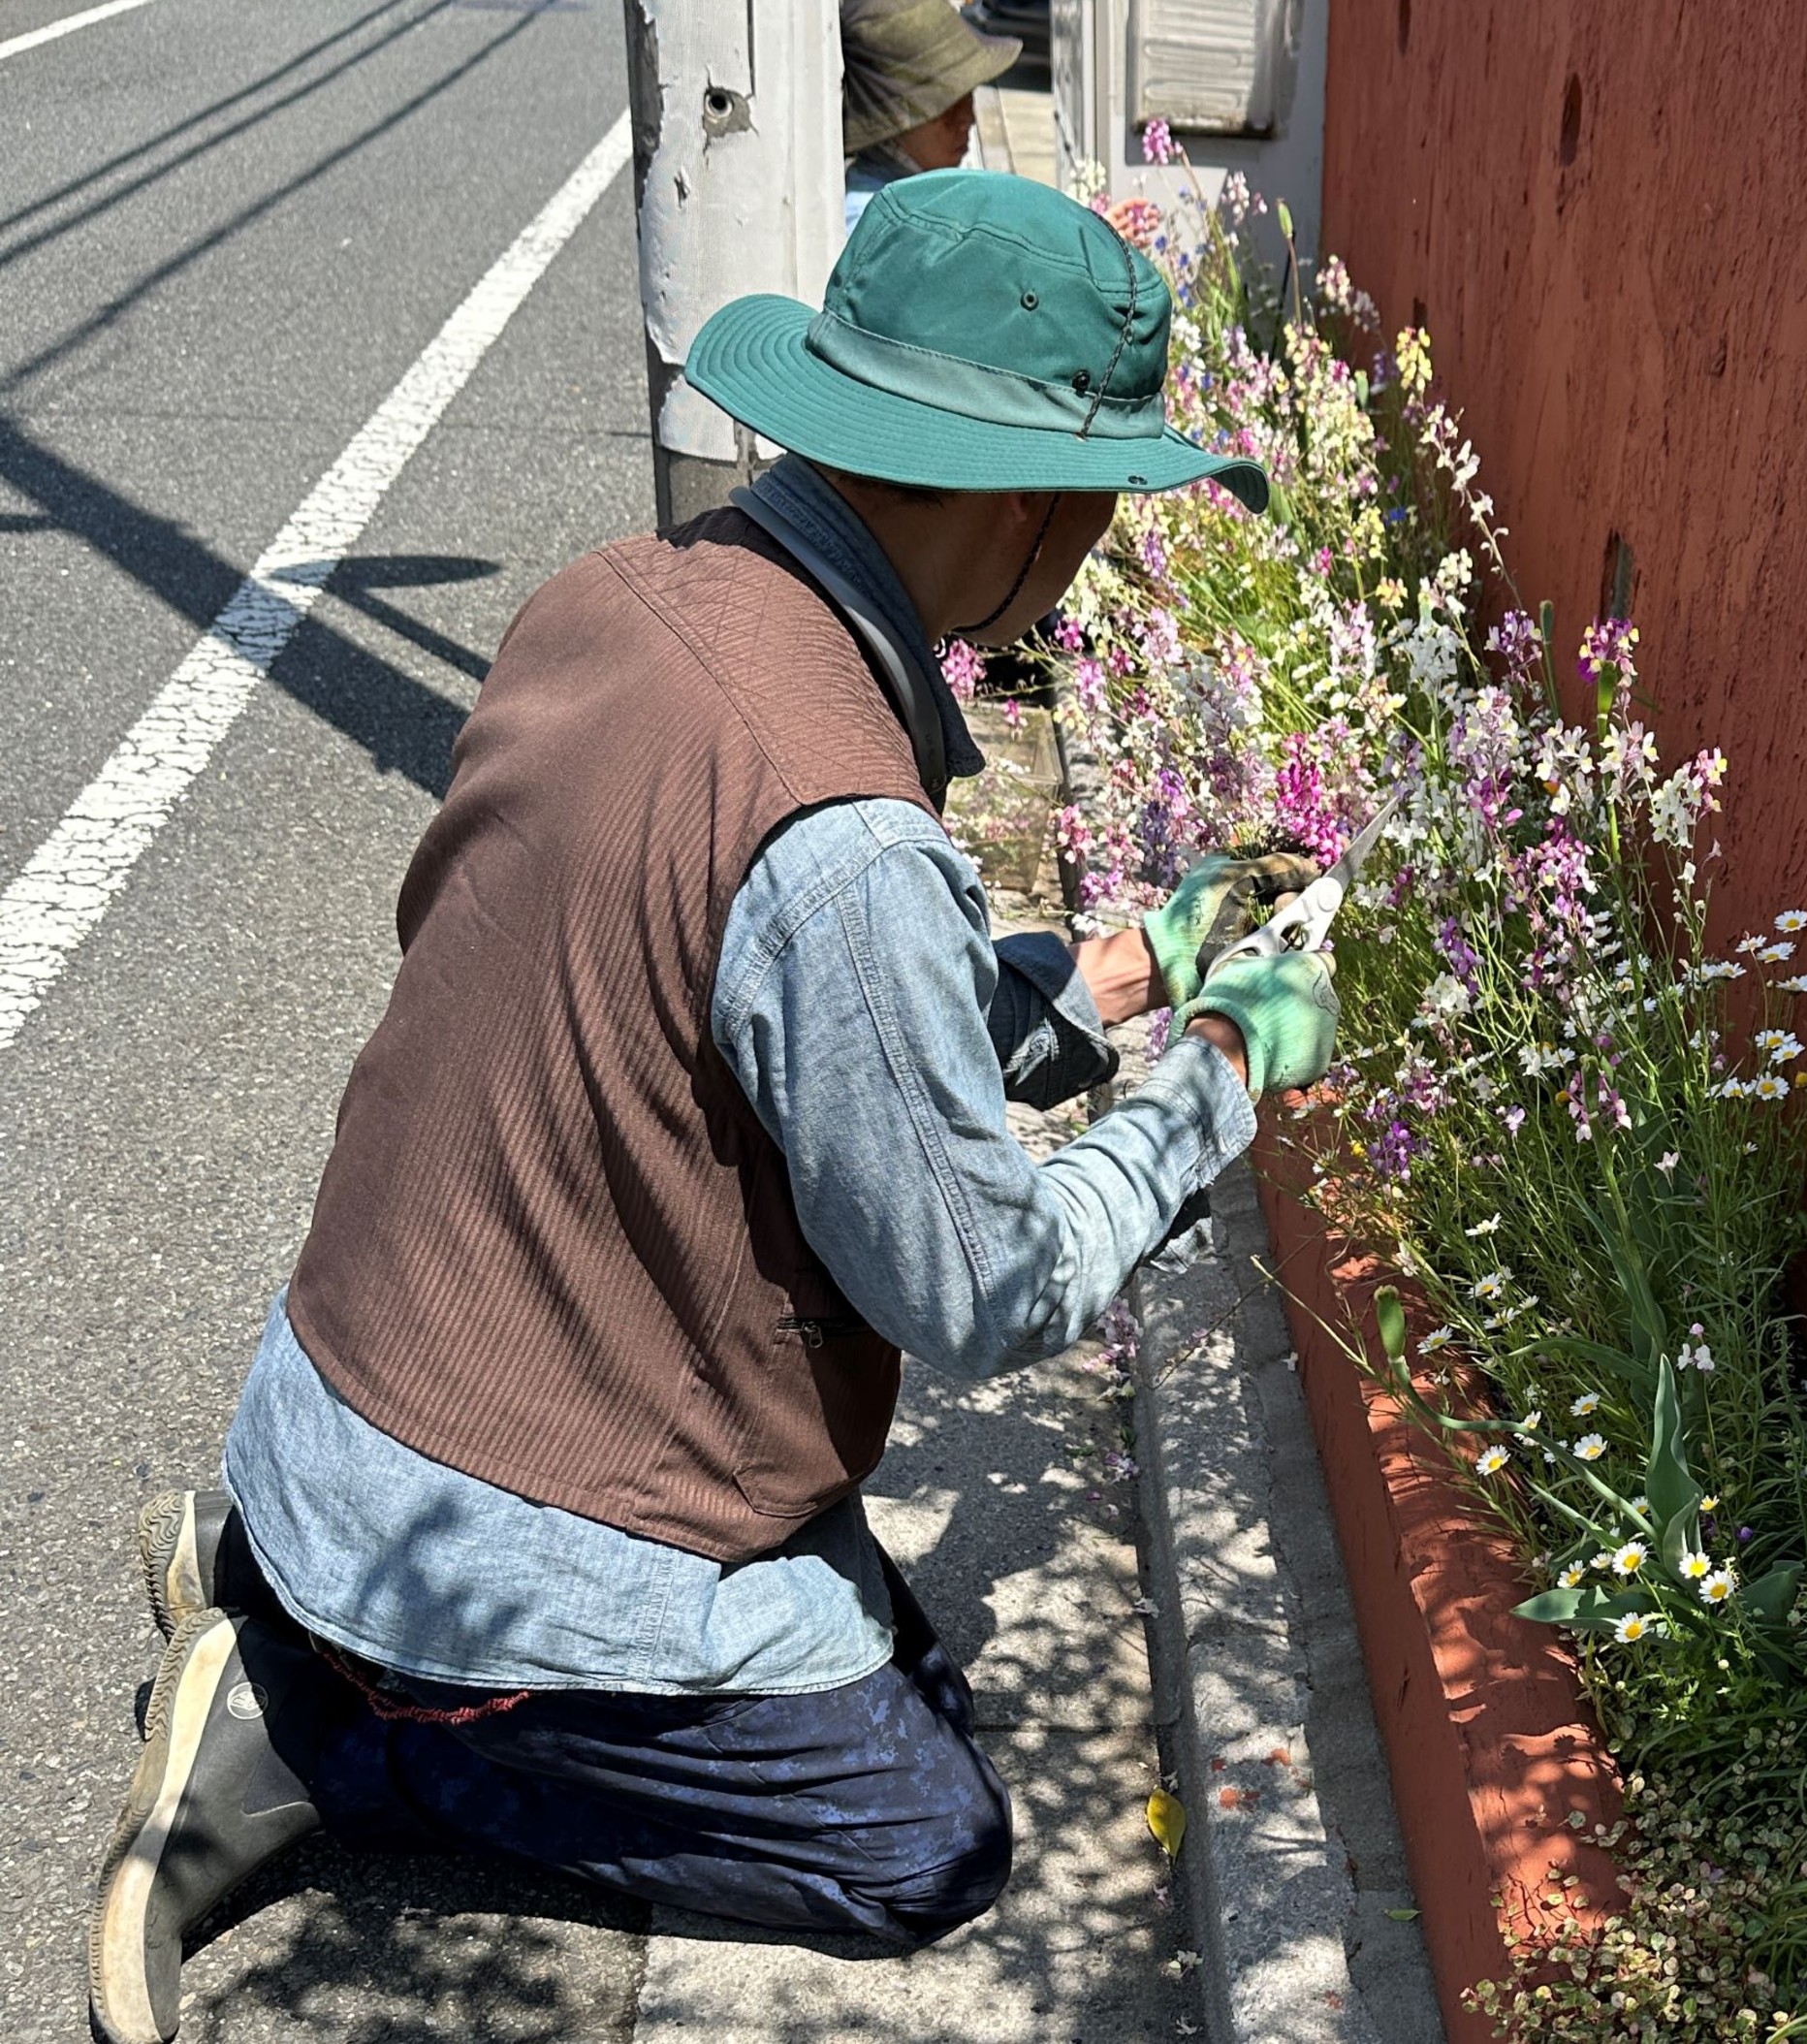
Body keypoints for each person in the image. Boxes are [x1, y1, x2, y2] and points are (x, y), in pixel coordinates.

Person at [84, 170, 1339, 2044]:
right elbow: (987, 1285)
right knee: (918, 1839)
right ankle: (320, 1724)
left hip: (356, 1382)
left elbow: (770, 1013)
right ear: (1023, 502)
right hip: (515, 1505)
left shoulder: (623, 597)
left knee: (867, 1637)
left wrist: (1126, 974)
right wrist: (1220, 1073)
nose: (1095, 553)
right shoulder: (844, 832)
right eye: (1099, 508)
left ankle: (277, 1560)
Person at [842, 0, 1021, 230]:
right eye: (946, 107)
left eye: (968, 97)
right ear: (894, 120)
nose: (967, 119)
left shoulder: (922, 189)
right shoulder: (875, 225)